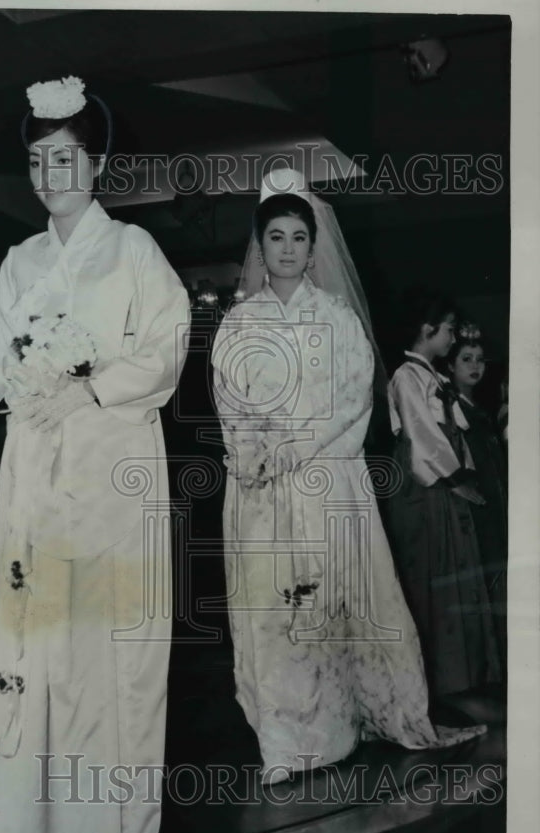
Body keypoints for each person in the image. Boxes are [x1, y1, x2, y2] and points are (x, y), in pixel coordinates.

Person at [0, 76, 189, 833]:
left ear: (96, 164)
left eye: (64, 159)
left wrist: (89, 388)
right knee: (35, 647)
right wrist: (24, 385)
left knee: (106, 655)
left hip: (110, 464)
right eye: (36, 162)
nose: (49, 176)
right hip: (35, 465)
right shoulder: (19, 261)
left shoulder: (133, 251)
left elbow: (166, 347)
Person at [211, 168, 485, 782]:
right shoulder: (239, 322)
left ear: (313, 247)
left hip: (327, 478)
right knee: (274, 610)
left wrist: (300, 445)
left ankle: (345, 720)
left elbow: (355, 398)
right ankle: (287, 741)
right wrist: (253, 450)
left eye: (298, 237)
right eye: (276, 237)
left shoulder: (336, 317)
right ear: (260, 245)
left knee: (332, 599)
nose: (287, 249)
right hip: (263, 489)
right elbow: (228, 396)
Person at [386, 290, 502, 700]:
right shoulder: (406, 376)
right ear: (427, 330)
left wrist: (464, 473)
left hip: (444, 478)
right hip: (425, 484)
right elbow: (421, 434)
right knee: (432, 572)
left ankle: (466, 676)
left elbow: (454, 433)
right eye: (448, 330)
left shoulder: (434, 377)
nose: (452, 338)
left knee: (455, 568)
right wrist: (456, 480)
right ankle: (439, 682)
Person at [446, 322, 507, 674]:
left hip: (497, 505)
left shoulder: (481, 410)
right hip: (475, 510)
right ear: (450, 365)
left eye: (480, 359)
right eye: (466, 359)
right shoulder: (452, 409)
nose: (475, 366)